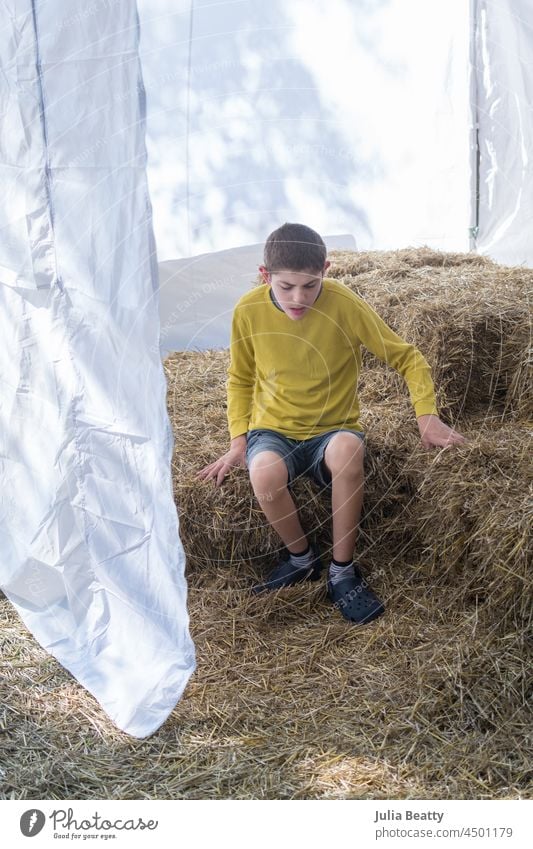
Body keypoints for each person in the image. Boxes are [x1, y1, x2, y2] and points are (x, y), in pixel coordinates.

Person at [197, 223, 466, 624]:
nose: (299, 297)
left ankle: (342, 571)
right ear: (264, 275)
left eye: (310, 285)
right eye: (286, 287)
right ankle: (301, 558)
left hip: (332, 430)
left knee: (348, 451)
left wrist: (426, 417)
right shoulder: (248, 310)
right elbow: (240, 379)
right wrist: (239, 443)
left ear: (326, 268)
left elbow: (408, 358)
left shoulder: (344, 303)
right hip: (274, 430)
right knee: (264, 473)